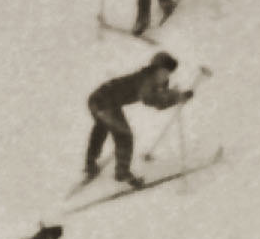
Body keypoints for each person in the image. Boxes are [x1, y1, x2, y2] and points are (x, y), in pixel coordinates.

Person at [83, 52, 194, 187]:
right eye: (163, 72)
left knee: (101, 128)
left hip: (96, 99)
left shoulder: (154, 79)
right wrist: (176, 98)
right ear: (155, 69)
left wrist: (177, 95)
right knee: (124, 135)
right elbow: (152, 100)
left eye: (168, 73)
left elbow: (161, 93)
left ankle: (90, 164)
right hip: (104, 103)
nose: (165, 76)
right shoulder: (146, 80)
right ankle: (122, 173)